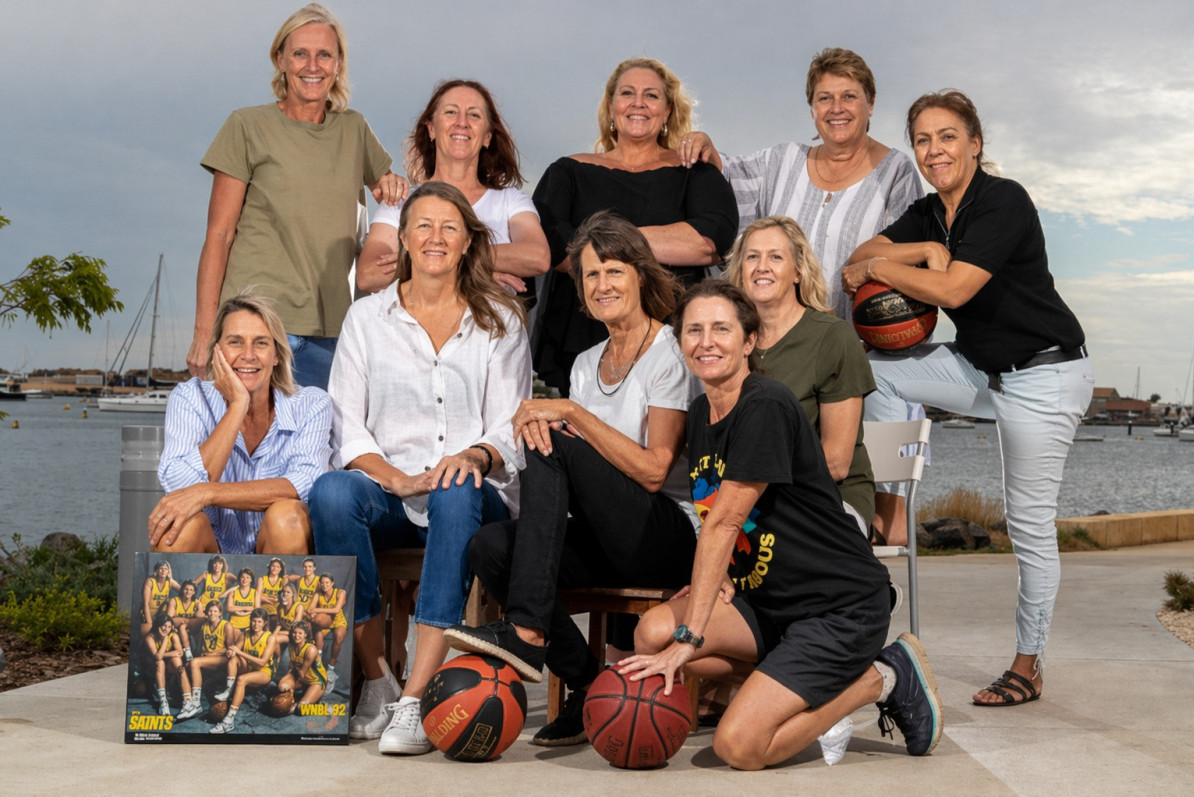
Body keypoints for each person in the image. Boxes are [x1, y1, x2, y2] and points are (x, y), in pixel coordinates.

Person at [619, 279, 941, 770]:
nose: (706, 342)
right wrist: (722, 576)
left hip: (838, 608)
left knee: (739, 747)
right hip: (768, 605)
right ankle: (782, 686)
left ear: (749, 341)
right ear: (680, 342)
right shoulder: (702, 412)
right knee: (652, 634)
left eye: (722, 329)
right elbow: (719, 516)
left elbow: (725, 523)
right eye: (694, 330)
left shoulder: (764, 405)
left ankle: (880, 677)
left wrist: (691, 637)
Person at [841, 90, 1093, 708]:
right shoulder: (930, 215)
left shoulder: (1003, 200)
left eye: (948, 136)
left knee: (1029, 524)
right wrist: (923, 250)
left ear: (975, 144)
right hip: (984, 370)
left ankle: (1029, 664)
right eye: (923, 140)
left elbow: (953, 291)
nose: (935, 150)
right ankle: (890, 507)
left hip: (1045, 374)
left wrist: (891, 270)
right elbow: (858, 257)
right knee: (877, 370)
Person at [445, 211, 699, 746]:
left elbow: (656, 469)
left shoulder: (671, 352)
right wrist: (547, 425)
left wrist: (569, 414)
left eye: (614, 271)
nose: (602, 284)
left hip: (664, 535)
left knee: (553, 433)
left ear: (640, 275)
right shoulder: (585, 364)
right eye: (590, 274)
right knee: (490, 547)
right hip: (605, 532)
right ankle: (587, 683)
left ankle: (526, 630)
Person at [309, 181, 530, 753]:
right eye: (423, 226)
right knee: (331, 493)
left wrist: (472, 456)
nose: (436, 237)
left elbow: (510, 426)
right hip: (390, 492)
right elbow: (345, 427)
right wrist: (397, 479)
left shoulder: (501, 318)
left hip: (472, 494)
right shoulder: (365, 318)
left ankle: (415, 699)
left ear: (467, 241)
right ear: (403, 239)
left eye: (449, 227)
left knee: (456, 488)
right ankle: (378, 678)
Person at [679, 48, 924, 543]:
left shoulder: (896, 173)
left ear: (871, 104)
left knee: (889, 519)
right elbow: (721, 186)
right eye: (824, 98)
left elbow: (909, 257)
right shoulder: (781, 161)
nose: (837, 108)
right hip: (777, 336)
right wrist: (704, 146)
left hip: (858, 348)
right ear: (811, 108)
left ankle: (862, 564)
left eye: (849, 96)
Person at [188, 2, 406, 389]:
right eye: (300, 54)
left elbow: (393, 193)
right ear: (281, 60)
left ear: (339, 64)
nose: (312, 66)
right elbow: (219, 235)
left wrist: (393, 184)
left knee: (319, 432)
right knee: (244, 430)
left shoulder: (354, 129)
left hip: (331, 331)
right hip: (255, 327)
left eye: (324, 55)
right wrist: (205, 332)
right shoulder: (246, 126)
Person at [532, 57, 738, 396]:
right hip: (586, 332)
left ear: (668, 111)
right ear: (611, 108)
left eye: (651, 95)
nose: (638, 103)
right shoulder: (567, 172)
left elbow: (709, 240)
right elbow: (554, 247)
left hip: (673, 332)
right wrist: (661, 242)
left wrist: (602, 243)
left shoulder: (694, 172)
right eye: (627, 93)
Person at [725, 216, 877, 538]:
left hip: (827, 499)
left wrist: (745, 489)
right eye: (752, 257)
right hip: (742, 498)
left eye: (775, 257)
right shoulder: (725, 343)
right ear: (739, 271)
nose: (762, 267)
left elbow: (835, 462)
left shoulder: (833, 338)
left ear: (797, 272)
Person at [153, 293, 332, 555]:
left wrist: (208, 493)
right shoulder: (190, 397)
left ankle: (279, 585)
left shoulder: (312, 404)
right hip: (210, 557)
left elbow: (306, 484)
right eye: (235, 342)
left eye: (261, 343)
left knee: (288, 517)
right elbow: (178, 487)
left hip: (276, 557)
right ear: (217, 351)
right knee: (178, 529)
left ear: (276, 355)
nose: (248, 355)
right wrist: (238, 406)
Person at [357, 79, 549, 296]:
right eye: (451, 112)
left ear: (487, 136)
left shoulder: (511, 201)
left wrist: (425, 258)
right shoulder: (400, 202)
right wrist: (473, 273)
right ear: (431, 128)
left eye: (474, 115)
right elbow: (368, 274)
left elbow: (538, 257)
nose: (462, 122)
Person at [211, 608, 279, 733]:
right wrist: (231, 652)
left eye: (259, 622)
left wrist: (239, 652)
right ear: (250, 621)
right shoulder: (246, 633)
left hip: (264, 671)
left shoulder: (270, 638)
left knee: (241, 679)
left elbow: (262, 662)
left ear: (264, 623)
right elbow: (235, 649)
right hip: (249, 668)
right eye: (254, 621)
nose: (256, 625)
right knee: (233, 659)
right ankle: (229, 690)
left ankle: (229, 720)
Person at [179, 600, 237, 721]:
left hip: (222, 659)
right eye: (210, 611)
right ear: (206, 612)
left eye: (215, 611)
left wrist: (212, 654)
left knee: (195, 662)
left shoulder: (226, 625)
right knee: (185, 667)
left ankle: (196, 704)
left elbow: (230, 648)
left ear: (220, 613)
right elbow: (202, 648)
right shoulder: (204, 626)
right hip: (208, 659)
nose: (212, 614)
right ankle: (188, 702)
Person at [143, 611, 191, 717]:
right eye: (164, 625)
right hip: (153, 670)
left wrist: (162, 654)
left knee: (177, 661)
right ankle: (163, 701)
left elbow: (180, 652)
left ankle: (188, 701)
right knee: (160, 663)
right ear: (158, 625)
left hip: (169, 669)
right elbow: (157, 658)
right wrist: (165, 640)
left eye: (169, 627)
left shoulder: (173, 636)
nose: (166, 629)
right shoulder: (149, 638)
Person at [308, 572, 348, 689]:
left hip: (338, 621)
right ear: (319, 583)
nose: (324, 585)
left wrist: (316, 610)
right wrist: (313, 612)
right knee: (315, 622)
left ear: (332, 583)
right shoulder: (318, 594)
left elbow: (336, 610)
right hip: (326, 623)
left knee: (338, 636)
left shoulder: (340, 592)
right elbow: (309, 609)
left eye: (327, 583)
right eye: (322, 583)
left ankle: (331, 669)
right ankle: (318, 657)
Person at [278, 620, 328, 710]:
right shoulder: (291, 646)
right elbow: (292, 667)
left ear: (305, 634)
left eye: (300, 633)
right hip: (302, 679)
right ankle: (304, 692)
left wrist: (292, 689)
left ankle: (315, 698)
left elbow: (301, 674)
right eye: (294, 632)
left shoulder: (310, 650)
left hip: (316, 681)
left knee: (300, 708)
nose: (296, 636)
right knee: (282, 687)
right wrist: (289, 686)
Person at [139, 560, 177, 637]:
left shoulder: (170, 582)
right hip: (148, 613)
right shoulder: (150, 582)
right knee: (147, 633)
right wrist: (150, 622)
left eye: (165, 569)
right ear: (156, 570)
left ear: (168, 571)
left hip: (161, 614)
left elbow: (184, 590)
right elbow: (145, 604)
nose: (163, 571)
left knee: (171, 631)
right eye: (161, 569)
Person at [168, 579, 204, 657]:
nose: (188, 592)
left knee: (183, 625)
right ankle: (188, 654)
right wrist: (189, 620)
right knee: (182, 627)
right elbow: (169, 618)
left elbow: (200, 617)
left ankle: (189, 654)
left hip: (192, 628)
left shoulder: (197, 603)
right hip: (177, 628)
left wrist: (181, 620)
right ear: (182, 590)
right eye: (186, 589)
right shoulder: (174, 600)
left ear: (194, 592)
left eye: (191, 590)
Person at [226, 567, 259, 632]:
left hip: (250, 625)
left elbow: (257, 609)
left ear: (251, 579)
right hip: (235, 625)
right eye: (242, 577)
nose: (245, 580)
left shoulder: (255, 593)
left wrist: (236, 608)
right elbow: (229, 608)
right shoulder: (232, 593)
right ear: (239, 578)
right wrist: (246, 608)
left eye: (247, 577)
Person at [257, 557, 286, 625]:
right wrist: (268, 600)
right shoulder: (262, 579)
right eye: (273, 566)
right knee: (273, 617)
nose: (275, 568)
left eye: (277, 567)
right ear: (269, 566)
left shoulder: (282, 581)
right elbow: (257, 596)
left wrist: (278, 599)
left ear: (281, 569)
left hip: (277, 605)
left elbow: (285, 597)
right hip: (264, 604)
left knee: (283, 616)